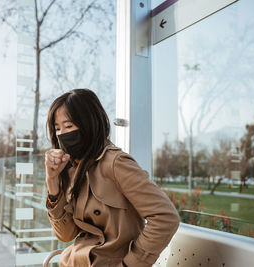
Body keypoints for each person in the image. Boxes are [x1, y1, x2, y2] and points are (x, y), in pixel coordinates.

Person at [45, 89, 180, 267]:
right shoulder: (72, 169)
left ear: (89, 124)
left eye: (69, 126)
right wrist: (53, 183)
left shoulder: (115, 163)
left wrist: (130, 264)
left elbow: (165, 217)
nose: (62, 134)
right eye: (57, 129)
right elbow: (66, 235)